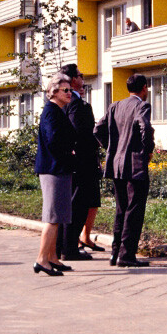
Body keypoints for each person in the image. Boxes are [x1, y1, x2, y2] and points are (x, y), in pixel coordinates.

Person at [94, 73, 154, 267]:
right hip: (135, 166)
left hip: (116, 164)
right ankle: (126, 255)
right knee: (134, 210)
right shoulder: (142, 106)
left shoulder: (115, 106)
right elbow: (144, 126)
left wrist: (112, 148)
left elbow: (97, 130)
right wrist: (147, 151)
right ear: (144, 88)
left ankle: (115, 253)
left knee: (121, 209)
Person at [58, 64, 104, 260]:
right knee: (77, 206)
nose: (83, 78)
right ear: (71, 80)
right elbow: (80, 133)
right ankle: (69, 249)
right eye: (80, 75)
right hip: (82, 162)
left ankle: (65, 247)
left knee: (76, 204)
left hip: (79, 160)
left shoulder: (69, 102)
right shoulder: (75, 104)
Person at [33, 72, 77, 276]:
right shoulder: (51, 111)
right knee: (52, 216)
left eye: (71, 90)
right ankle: (42, 259)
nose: (70, 93)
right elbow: (53, 139)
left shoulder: (57, 110)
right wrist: (69, 150)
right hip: (54, 168)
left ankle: (52, 257)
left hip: (57, 167)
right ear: (54, 91)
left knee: (56, 215)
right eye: (66, 90)